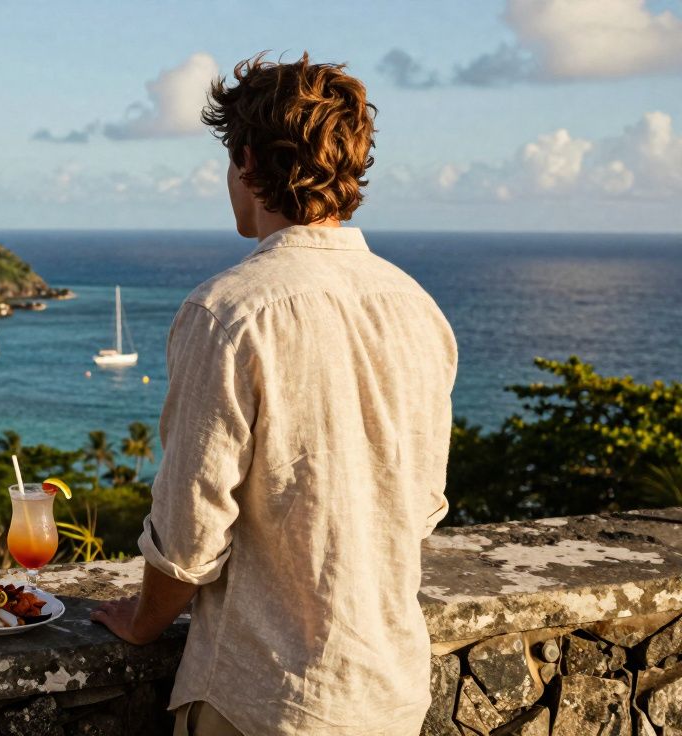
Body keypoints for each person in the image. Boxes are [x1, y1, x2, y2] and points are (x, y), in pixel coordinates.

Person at [90, 53, 458, 735]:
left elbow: (191, 537)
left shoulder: (228, 312)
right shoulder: (417, 308)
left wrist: (142, 623)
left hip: (264, 699)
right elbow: (421, 504)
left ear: (249, 162)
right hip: (392, 693)